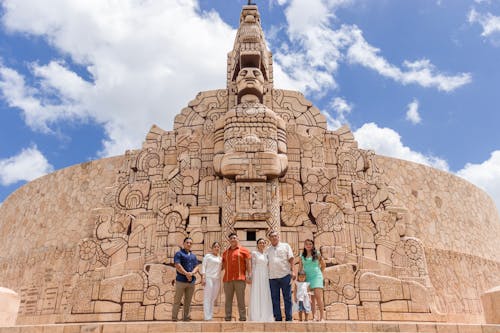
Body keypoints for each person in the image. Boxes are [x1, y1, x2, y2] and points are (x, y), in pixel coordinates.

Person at [266, 230, 295, 321]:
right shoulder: (268, 250)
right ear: (269, 238)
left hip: (285, 275)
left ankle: (289, 318)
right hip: (272, 277)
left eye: (275, 236)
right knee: (275, 299)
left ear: (278, 237)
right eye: (272, 236)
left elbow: (291, 258)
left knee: (287, 298)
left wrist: (293, 271)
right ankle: (278, 318)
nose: (274, 238)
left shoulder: (285, 246)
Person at [222, 233, 251, 321]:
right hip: (227, 279)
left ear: (237, 239)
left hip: (240, 278)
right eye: (231, 238)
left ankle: (242, 317)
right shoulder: (225, 253)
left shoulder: (244, 250)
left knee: (241, 299)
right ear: (229, 240)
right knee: (228, 300)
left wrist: (249, 275)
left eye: (234, 238)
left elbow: (248, 264)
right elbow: (222, 266)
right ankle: (228, 317)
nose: (233, 239)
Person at [172, 237, 199, 322]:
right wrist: (186, 273)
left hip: (191, 282)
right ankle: (174, 318)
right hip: (180, 280)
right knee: (177, 300)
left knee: (188, 301)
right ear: (183, 243)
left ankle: (186, 317)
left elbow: (197, 267)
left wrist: (192, 273)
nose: (189, 244)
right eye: (187, 242)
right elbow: (177, 265)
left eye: (190, 243)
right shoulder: (179, 254)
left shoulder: (193, 256)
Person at [298, 239, 326, 321]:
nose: (308, 246)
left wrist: (319, 273)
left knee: (318, 297)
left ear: (312, 245)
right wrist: (299, 280)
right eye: (306, 244)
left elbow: (323, 265)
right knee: (311, 298)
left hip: (317, 277)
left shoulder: (317, 254)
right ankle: (314, 316)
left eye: (310, 244)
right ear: (304, 245)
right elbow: (300, 268)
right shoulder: (302, 256)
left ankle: (322, 317)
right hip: (307, 278)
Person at [249, 238, 274, 322]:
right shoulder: (254, 253)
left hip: (265, 275)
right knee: (256, 292)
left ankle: (266, 315)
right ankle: (256, 316)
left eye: (263, 243)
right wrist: (250, 275)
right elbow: (252, 265)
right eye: (260, 243)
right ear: (257, 244)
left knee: (265, 293)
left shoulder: (266, 254)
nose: (262, 244)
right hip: (257, 274)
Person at [200, 241, 222, 321]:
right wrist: (203, 277)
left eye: (218, 247)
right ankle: (207, 317)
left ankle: (210, 315)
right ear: (212, 248)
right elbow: (203, 266)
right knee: (207, 297)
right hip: (209, 278)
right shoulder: (208, 256)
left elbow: (221, 268)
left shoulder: (220, 258)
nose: (217, 248)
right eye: (215, 247)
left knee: (213, 298)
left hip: (217, 279)